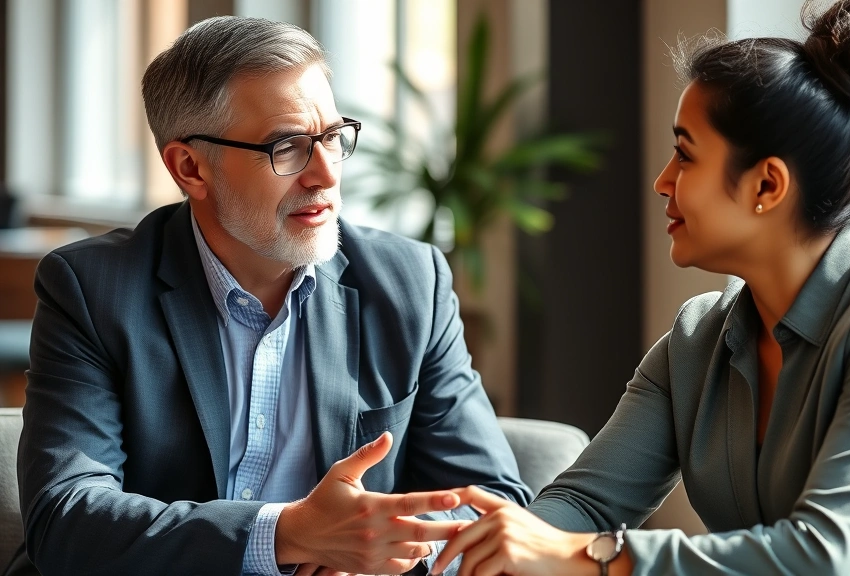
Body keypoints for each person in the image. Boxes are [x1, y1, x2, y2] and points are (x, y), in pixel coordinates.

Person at [431, 1, 850, 574]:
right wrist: (483, 546)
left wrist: (593, 557)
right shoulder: (698, 340)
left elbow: (821, 556)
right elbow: (586, 503)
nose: (663, 181)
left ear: (766, 184)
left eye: (685, 155)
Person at [8, 16, 531, 576]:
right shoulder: (94, 289)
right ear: (190, 168)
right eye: (287, 147)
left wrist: (381, 552)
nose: (325, 175)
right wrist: (286, 535)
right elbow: (68, 517)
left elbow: (493, 500)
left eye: (332, 137)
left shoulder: (410, 282)